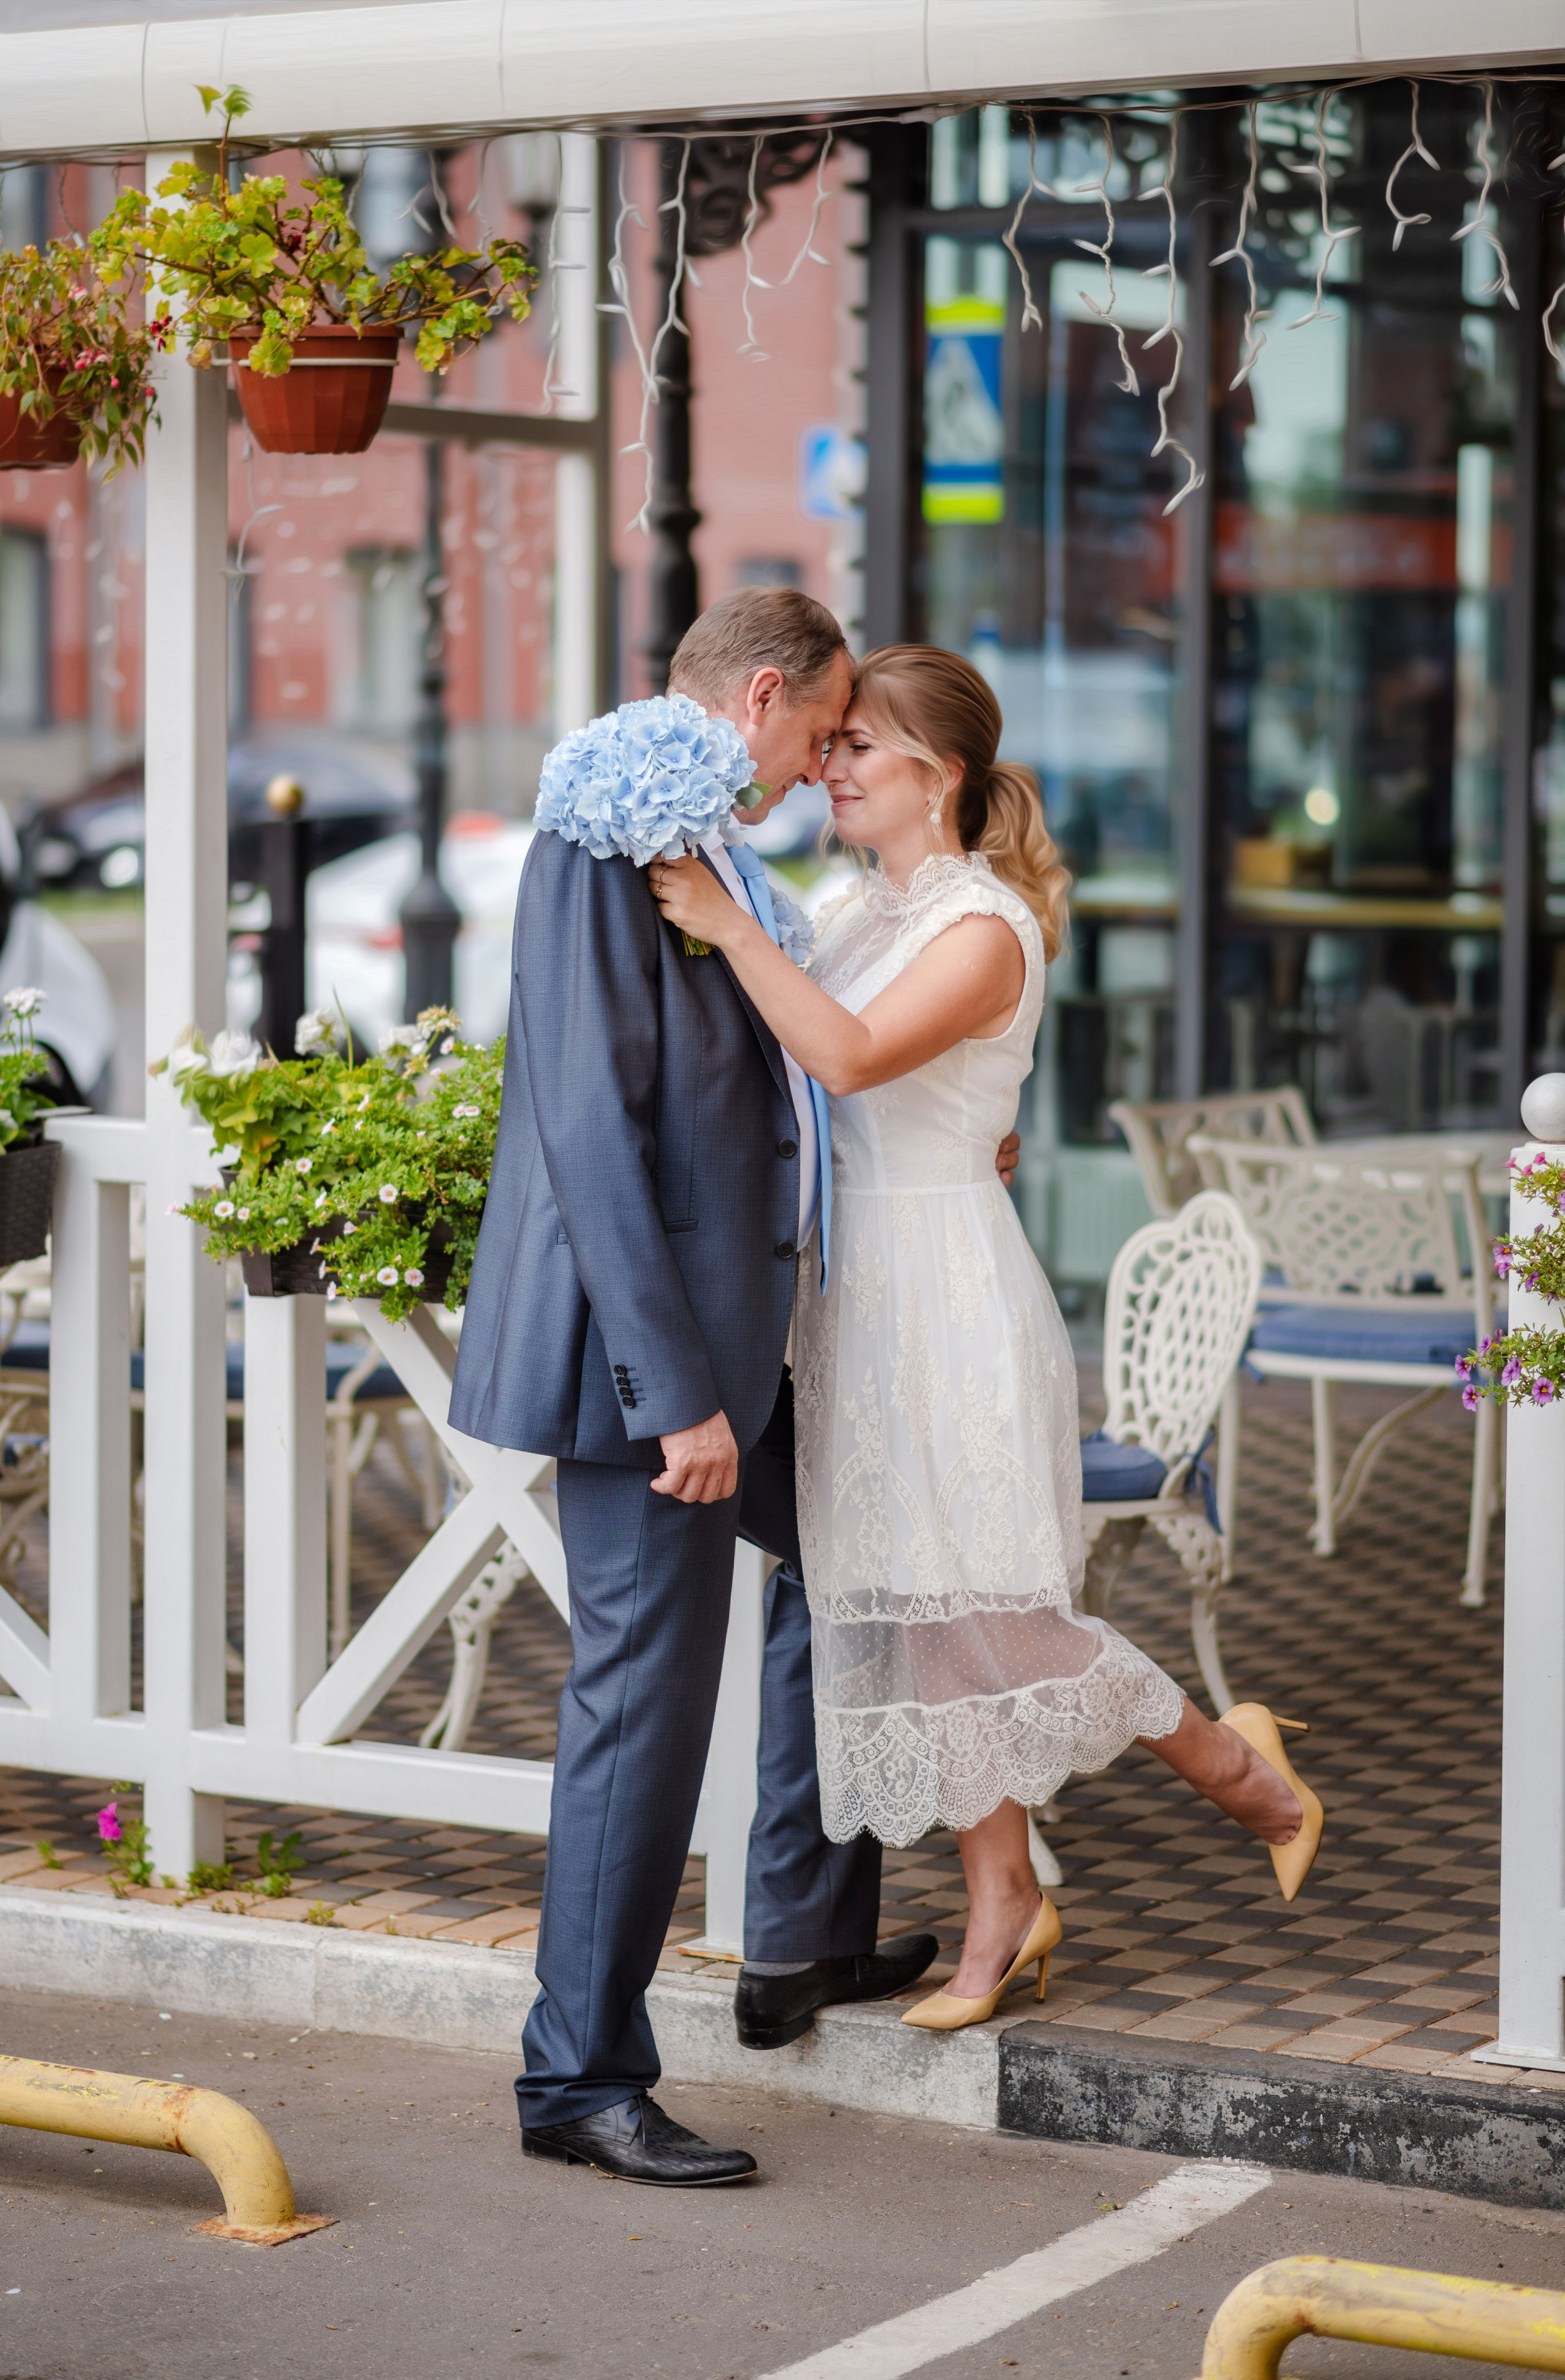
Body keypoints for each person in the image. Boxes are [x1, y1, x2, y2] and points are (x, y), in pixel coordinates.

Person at [652, 645, 1324, 2033]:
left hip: (946, 1292)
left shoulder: (983, 923)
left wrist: (724, 927)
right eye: (827, 746)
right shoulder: (855, 910)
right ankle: (1004, 1899)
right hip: (855, 1295)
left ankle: (1239, 1771)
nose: (825, 768)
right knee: (916, 1612)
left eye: (856, 751)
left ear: (937, 774)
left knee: (992, 1612)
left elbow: (839, 1057)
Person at [448, 590, 1015, 2187]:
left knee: (864, 1554)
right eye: (824, 731)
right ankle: (577, 2074)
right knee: (640, 1709)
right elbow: (591, 1129)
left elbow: (761, 1078)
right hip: (660, 1372)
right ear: (762, 695)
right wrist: (676, 1394)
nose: (824, 761)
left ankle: (802, 1928)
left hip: (733, 1352)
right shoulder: (605, 830)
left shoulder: (704, 845)